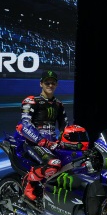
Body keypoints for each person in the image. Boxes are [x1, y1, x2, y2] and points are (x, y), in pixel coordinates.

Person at [18, 70, 68, 203]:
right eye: (47, 82)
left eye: (53, 83)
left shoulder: (59, 105)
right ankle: (28, 182)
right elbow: (24, 125)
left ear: (56, 85)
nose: (50, 85)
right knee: (53, 164)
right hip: (32, 144)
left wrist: (65, 141)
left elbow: (64, 127)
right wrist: (41, 141)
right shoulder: (31, 101)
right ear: (41, 84)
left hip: (52, 144)